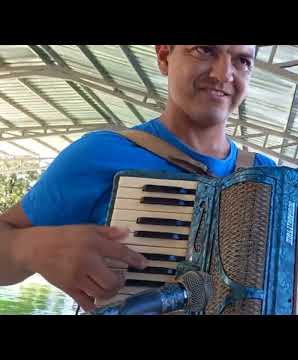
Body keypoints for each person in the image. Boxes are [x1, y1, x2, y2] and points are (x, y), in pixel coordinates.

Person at [0, 45, 276, 312]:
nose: (223, 74)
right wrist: (27, 248)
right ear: (164, 56)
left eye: (242, 61)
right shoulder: (100, 152)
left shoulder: (267, 177)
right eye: (205, 50)